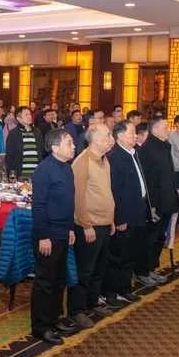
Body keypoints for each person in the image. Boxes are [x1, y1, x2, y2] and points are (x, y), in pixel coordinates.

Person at [30, 129, 77, 346]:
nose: (73, 146)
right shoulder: (44, 170)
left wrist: (70, 229)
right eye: (69, 143)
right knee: (45, 282)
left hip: (63, 232)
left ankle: (54, 318)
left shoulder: (67, 168)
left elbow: (68, 203)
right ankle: (41, 327)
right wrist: (44, 236)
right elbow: (38, 206)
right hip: (48, 234)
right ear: (55, 147)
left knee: (59, 280)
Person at [68, 124, 115, 330]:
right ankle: (76, 310)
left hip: (104, 223)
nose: (111, 138)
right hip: (89, 225)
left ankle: (92, 302)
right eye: (107, 135)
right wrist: (86, 225)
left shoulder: (105, 160)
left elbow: (106, 192)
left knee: (98, 268)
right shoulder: (82, 161)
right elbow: (78, 197)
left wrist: (111, 219)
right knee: (84, 270)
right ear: (95, 139)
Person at [104, 122, 149, 309]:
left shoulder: (133, 153)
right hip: (124, 215)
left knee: (131, 252)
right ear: (120, 136)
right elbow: (115, 191)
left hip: (137, 210)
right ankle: (111, 292)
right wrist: (119, 218)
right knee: (118, 256)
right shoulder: (115, 157)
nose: (136, 136)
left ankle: (124, 288)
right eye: (132, 133)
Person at [137, 117, 179, 287]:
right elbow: (148, 181)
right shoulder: (147, 149)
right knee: (150, 239)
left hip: (167, 199)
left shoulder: (165, 145)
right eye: (165, 127)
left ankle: (152, 268)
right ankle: (142, 271)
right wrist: (152, 205)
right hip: (155, 203)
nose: (168, 129)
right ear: (154, 130)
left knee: (160, 238)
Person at [5, 106, 44, 179]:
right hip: (21, 174)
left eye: (30, 114)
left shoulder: (37, 132)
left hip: (37, 173)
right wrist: (11, 174)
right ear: (18, 118)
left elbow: (41, 152)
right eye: (26, 115)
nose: (29, 116)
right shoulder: (13, 134)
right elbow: (10, 156)